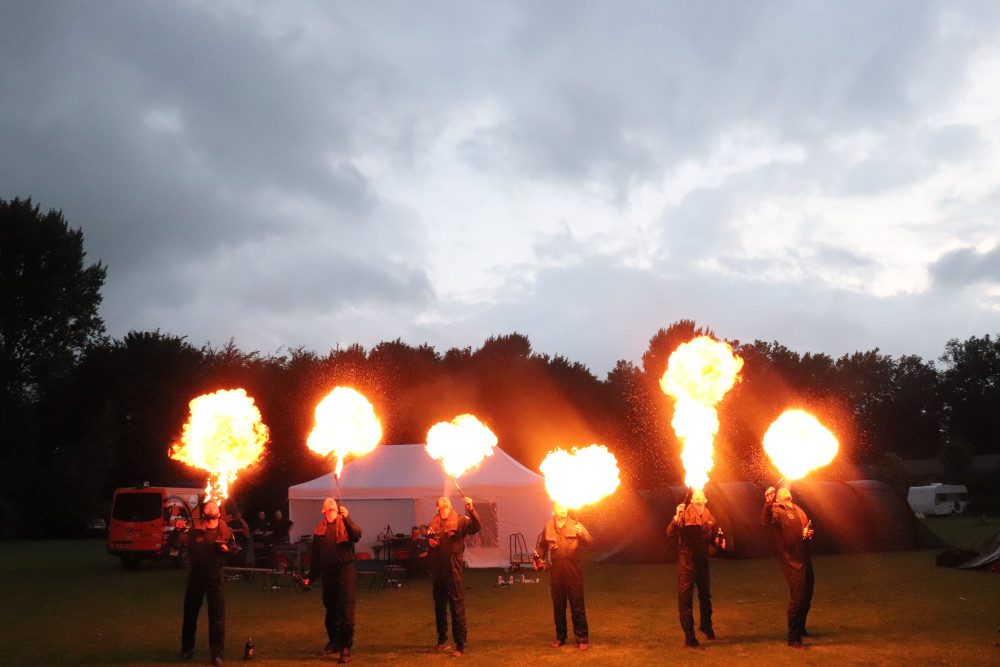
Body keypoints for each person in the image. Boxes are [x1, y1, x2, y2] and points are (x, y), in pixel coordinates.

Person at [176, 500, 234, 665]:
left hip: (216, 577)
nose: (211, 508)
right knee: (190, 614)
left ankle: (217, 654)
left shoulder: (225, 532)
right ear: (203, 513)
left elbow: (234, 552)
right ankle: (187, 649)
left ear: (219, 513)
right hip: (196, 577)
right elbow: (178, 543)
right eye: (208, 506)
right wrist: (177, 530)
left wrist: (227, 550)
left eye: (214, 507)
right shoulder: (195, 530)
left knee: (217, 617)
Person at [304, 498, 362, 664]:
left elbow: (356, 535)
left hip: (346, 572)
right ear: (323, 510)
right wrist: (310, 578)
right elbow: (316, 558)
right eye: (327, 503)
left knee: (346, 612)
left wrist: (347, 517)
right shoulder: (319, 531)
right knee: (331, 612)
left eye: (332, 503)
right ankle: (334, 642)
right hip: (328, 574)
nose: (330, 502)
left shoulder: (345, 524)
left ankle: (345, 647)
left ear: (337, 509)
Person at [534, 503, 593, 651]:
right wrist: (539, 558)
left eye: (565, 507)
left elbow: (589, 542)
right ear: (554, 511)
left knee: (577, 605)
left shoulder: (576, 525)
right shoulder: (548, 527)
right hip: (557, 571)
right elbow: (543, 545)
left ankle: (582, 639)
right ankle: (560, 637)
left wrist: (582, 533)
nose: (563, 510)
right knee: (558, 606)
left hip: (573, 570)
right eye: (560, 508)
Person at [761, 486, 815, 648]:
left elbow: (802, 532)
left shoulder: (799, 510)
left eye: (787, 490)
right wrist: (768, 503)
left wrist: (807, 535)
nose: (785, 491)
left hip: (804, 556)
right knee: (798, 597)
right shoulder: (777, 510)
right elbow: (766, 521)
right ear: (777, 498)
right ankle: (793, 638)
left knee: (807, 595)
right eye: (781, 491)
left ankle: (801, 628)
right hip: (790, 559)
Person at [427, 496, 480, 657]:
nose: (443, 500)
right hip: (438, 566)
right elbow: (430, 540)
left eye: (446, 499)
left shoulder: (460, 520)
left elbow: (476, 527)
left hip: (453, 566)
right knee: (439, 605)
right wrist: (431, 543)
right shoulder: (434, 522)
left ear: (450, 505)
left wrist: (471, 509)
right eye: (440, 500)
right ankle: (442, 639)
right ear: (437, 507)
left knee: (456, 604)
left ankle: (460, 644)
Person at [667, 489, 718, 648]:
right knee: (686, 599)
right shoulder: (683, 515)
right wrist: (676, 517)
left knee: (705, 596)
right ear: (691, 501)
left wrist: (719, 542)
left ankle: (706, 626)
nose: (697, 496)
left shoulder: (710, 518)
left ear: (705, 500)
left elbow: (714, 538)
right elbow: (670, 533)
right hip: (687, 561)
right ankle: (690, 637)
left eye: (701, 495)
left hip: (702, 560)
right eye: (695, 495)